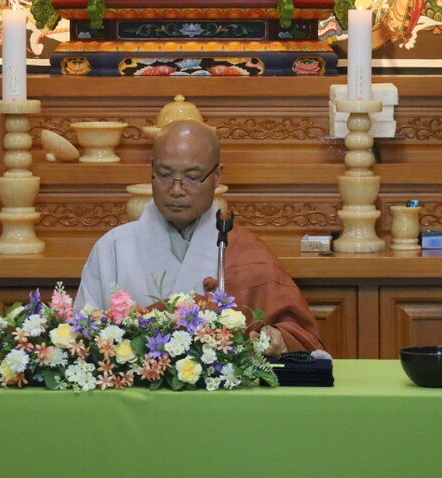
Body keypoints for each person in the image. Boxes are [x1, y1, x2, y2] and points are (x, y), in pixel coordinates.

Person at [75, 118, 324, 357]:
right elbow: (81, 337)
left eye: (192, 178)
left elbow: (301, 338)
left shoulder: (245, 252)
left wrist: (277, 339)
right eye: (164, 175)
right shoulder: (114, 247)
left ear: (217, 177)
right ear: (151, 169)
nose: (176, 190)